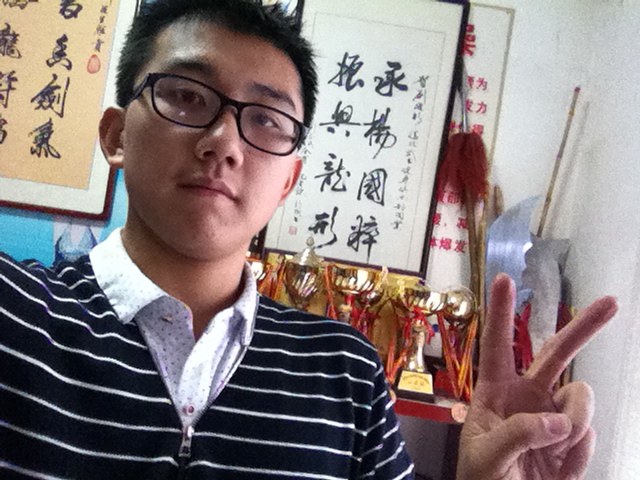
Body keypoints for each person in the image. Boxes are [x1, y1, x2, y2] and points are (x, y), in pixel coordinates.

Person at [0, 1, 617, 479]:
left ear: (288, 181)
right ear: (115, 136)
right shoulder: (17, 314)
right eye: (186, 96)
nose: (224, 142)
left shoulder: (345, 372)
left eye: (266, 119)